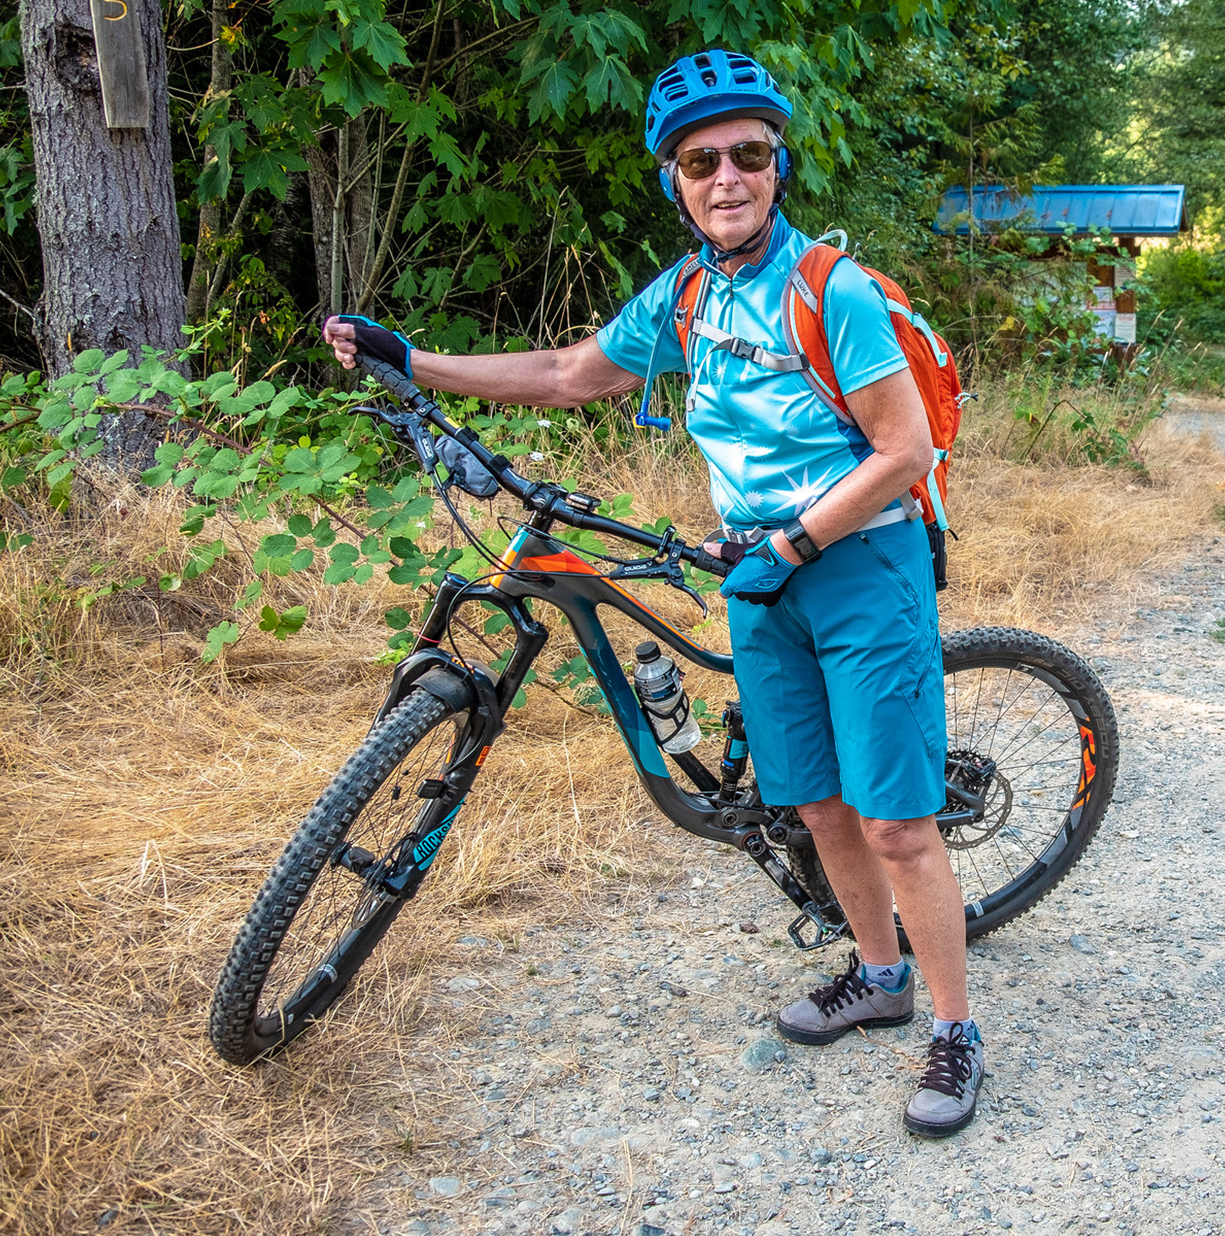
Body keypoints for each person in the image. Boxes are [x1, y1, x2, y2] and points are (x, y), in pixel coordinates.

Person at [322, 48, 984, 1137]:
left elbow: (904, 450)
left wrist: (803, 541)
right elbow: (566, 373)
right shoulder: (683, 297)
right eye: (701, 161)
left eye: (748, 156)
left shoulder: (833, 289)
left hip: (860, 562)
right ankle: (878, 976)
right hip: (759, 572)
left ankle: (954, 1032)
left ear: (776, 166)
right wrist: (413, 358)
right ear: (673, 180)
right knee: (815, 805)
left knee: (896, 824)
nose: (728, 177)